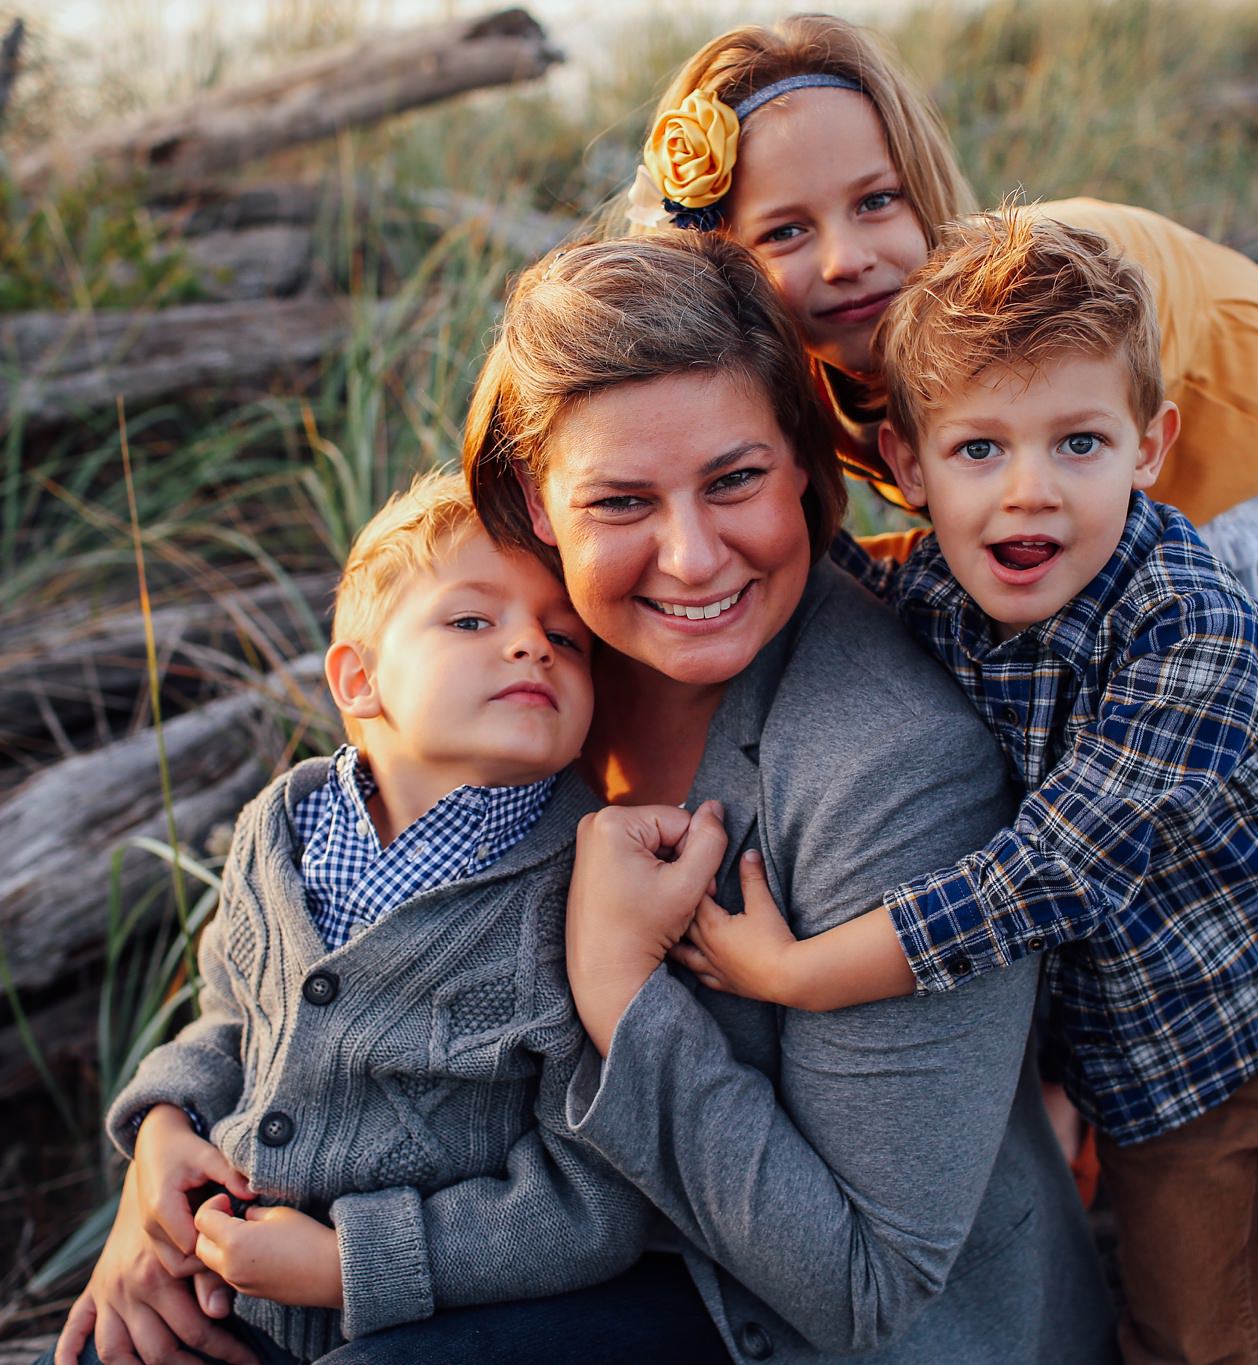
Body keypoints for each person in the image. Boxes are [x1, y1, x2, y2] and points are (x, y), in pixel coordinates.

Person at [675, 211, 1258, 1365]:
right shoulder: (941, 591)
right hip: (1156, 1065)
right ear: (906, 463)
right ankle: (1223, 1279)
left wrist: (793, 974)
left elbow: (1048, 876)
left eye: (1078, 444)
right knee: (1191, 1342)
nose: (1027, 494)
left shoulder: (1191, 625)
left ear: (1150, 445)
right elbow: (812, 562)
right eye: (978, 450)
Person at [317, 230, 1117, 1363]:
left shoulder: (890, 769)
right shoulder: (511, 658)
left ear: (804, 461)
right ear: (535, 504)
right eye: (621, 502)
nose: (692, 559)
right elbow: (332, 902)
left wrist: (618, 988)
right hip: (551, 1231)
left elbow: (865, 1285)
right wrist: (171, 1139)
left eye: (734, 480)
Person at [48, 472, 657, 1365]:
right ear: (360, 677)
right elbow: (230, 1015)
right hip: (210, 1296)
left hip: (414, 1328)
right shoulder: (281, 829)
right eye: (472, 621)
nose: (533, 645)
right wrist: (164, 1127)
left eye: (565, 636)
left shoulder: (585, 889)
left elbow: (592, 1203)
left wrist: (350, 1263)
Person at [626, 13, 1258, 610]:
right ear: (719, 256)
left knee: (1151, 605)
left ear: (923, 182)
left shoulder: (1006, 333)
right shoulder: (789, 375)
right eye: (786, 231)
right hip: (1056, 442)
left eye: (877, 201)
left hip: (1195, 372)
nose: (845, 259)